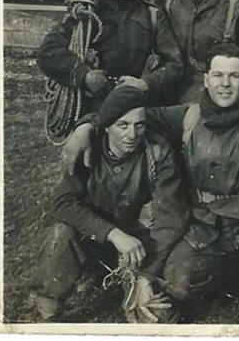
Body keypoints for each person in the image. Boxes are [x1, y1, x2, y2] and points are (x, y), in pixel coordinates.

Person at [64, 43, 239, 323]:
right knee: (178, 279)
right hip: (203, 218)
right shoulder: (188, 115)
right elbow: (126, 112)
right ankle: (233, 274)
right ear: (206, 79)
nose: (225, 84)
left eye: (234, 76)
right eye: (217, 75)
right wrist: (88, 126)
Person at [31, 86, 190, 323]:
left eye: (139, 125)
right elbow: (63, 202)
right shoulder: (89, 150)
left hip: (139, 245)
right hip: (94, 238)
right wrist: (112, 233)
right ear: (105, 126)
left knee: (157, 316)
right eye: (122, 125)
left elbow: (172, 217)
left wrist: (146, 275)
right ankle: (48, 303)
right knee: (62, 233)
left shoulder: (157, 152)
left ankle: (130, 286)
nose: (132, 134)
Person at [38, 0, 164, 112]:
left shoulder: (151, 15)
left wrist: (145, 83)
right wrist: (84, 75)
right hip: (92, 106)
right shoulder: (86, 11)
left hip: (136, 107)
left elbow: (174, 63)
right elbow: (48, 52)